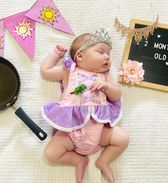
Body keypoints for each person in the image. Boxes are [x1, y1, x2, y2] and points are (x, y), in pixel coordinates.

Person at [41, 29, 129, 183]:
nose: (107, 56)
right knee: (51, 153)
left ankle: (103, 161)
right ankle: (77, 160)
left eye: (108, 53)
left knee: (122, 139)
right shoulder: (69, 71)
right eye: (101, 52)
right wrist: (55, 55)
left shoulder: (105, 76)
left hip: (100, 130)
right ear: (80, 56)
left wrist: (107, 86)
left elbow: (117, 95)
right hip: (71, 131)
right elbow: (46, 71)